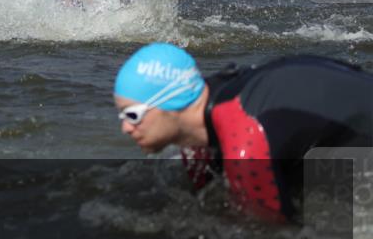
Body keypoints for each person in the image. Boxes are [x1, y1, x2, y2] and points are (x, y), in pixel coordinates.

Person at [113, 42, 373, 222]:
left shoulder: (244, 139)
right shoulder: (204, 125)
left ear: (170, 103)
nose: (125, 127)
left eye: (133, 115)